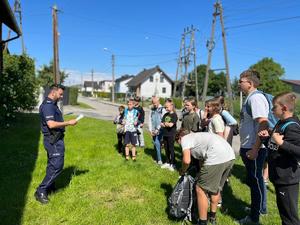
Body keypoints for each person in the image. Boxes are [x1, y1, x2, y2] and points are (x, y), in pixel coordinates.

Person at [176, 129, 235, 225]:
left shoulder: (184, 139)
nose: (180, 146)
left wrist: (182, 170)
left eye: (178, 143)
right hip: (230, 156)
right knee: (215, 188)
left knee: (200, 189)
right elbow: (202, 159)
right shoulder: (197, 137)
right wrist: (200, 173)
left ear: (179, 138)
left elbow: (186, 161)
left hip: (216, 157)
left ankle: (202, 221)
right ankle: (212, 217)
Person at [259, 92, 300, 225]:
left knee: (290, 217)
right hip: (279, 177)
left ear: (283, 108)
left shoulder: (293, 126)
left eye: (274, 107)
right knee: (284, 214)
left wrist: (281, 142)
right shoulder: (280, 123)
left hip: (288, 179)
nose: (271, 110)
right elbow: (274, 147)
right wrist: (265, 139)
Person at [35, 84, 77, 204]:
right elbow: (51, 124)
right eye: (60, 94)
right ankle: (41, 190)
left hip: (56, 139)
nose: (62, 96)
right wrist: (69, 122)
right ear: (53, 92)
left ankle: (50, 187)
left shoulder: (52, 105)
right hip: (53, 140)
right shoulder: (48, 106)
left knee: (52, 164)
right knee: (57, 165)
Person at [238, 69, 268, 224]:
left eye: (240, 81)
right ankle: (258, 208)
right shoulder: (250, 97)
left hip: (253, 148)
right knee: (255, 181)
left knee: (255, 182)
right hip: (249, 146)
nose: (238, 84)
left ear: (249, 83)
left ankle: (254, 218)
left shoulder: (255, 99)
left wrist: (255, 149)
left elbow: (263, 123)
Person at [160, 100, 178, 171]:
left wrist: (165, 124)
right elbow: (161, 123)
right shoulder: (165, 115)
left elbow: (171, 125)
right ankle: (167, 162)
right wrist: (165, 124)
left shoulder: (174, 115)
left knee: (171, 149)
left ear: (172, 106)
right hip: (165, 134)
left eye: (167, 107)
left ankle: (173, 163)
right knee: (166, 149)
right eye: (165, 107)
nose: (166, 109)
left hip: (171, 134)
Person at [149, 96, 166, 165]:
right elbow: (150, 119)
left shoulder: (162, 109)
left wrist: (157, 129)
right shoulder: (152, 109)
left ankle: (160, 160)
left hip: (160, 129)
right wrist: (150, 129)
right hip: (153, 129)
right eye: (153, 103)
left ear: (158, 101)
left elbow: (163, 120)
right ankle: (156, 157)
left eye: (155, 103)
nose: (154, 104)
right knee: (155, 143)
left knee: (157, 143)